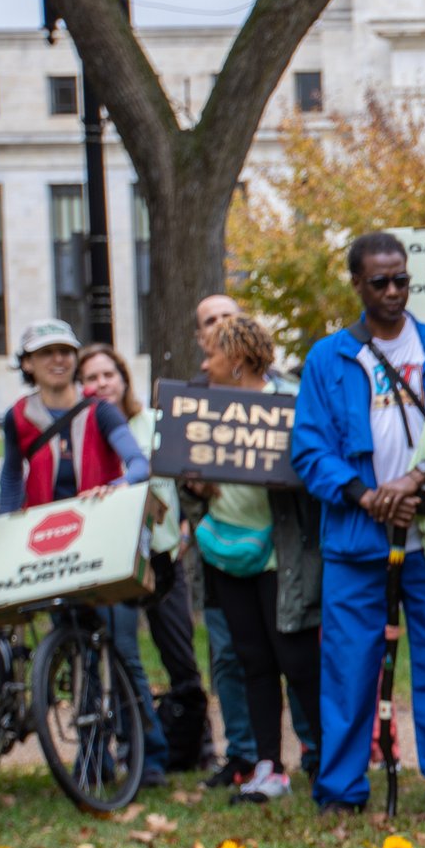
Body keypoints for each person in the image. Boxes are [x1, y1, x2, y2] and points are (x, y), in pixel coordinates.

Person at [288, 233, 425, 820]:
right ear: (356, 284)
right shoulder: (328, 358)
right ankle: (343, 789)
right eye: (379, 281)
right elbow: (309, 448)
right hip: (357, 538)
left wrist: (419, 476)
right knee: (348, 668)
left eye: (401, 279)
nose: (393, 291)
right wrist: (367, 496)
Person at [0, 321, 163, 787]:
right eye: (46, 352)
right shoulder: (18, 417)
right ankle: (94, 757)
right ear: (28, 363)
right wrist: (9, 525)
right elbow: (12, 476)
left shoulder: (100, 411)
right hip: (52, 547)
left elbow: (137, 464)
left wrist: (110, 489)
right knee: (77, 653)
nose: (58, 360)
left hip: (105, 540)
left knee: (121, 648)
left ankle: (147, 757)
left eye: (65, 351)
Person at [187, 316, 323, 804]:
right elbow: (191, 482)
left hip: (278, 559)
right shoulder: (203, 412)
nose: (204, 365)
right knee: (253, 662)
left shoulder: (288, 408)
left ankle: (327, 757)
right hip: (227, 556)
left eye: (212, 355)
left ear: (238, 360)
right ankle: (269, 766)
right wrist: (195, 487)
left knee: (298, 660)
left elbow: (312, 476)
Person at [81, 342, 210, 776]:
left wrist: (187, 531)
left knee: (179, 654)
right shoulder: (85, 432)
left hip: (162, 553)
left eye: (107, 375)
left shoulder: (154, 421)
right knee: (122, 652)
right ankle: (135, 746)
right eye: (91, 378)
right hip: (112, 558)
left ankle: (200, 745)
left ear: (123, 378)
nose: (100, 385)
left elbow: (183, 478)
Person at [192, 291, 261, 786]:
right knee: (228, 656)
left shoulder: (283, 395)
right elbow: (178, 479)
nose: (218, 326)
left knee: (286, 657)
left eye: (227, 319)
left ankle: (307, 750)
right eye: (209, 322)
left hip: (276, 549)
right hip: (220, 552)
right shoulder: (191, 406)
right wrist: (193, 484)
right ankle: (242, 753)